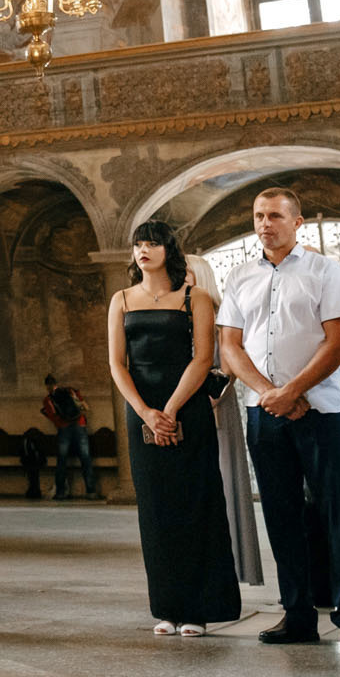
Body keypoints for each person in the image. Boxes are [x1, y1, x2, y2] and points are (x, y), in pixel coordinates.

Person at [217, 187, 340, 652]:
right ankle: (298, 614)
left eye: (276, 216)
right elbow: (230, 347)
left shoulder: (326, 270)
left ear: (297, 222)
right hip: (264, 415)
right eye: (259, 216)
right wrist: (271, 394)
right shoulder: (240, 276)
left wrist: (294, 391)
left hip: (323, 411)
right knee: (283, 516)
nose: (265, 224)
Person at [106, 222, 242, 636]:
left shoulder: (194, 297)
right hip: (141, 409)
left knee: (194, 502)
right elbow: (117, 364)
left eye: (152, 243)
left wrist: (170, 408)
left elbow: (203, 359)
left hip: (187, 403)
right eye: (138, 244)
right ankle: (167, 607)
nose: (143, 250)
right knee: (156, 508)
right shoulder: (122, 299)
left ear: (169, 250)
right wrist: (147, 412)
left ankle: (199, 608)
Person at [185, 255, 264, 588]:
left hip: (215, 404)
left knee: (224, 480)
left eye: (185, 274)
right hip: (185, 406)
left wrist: (211, 395)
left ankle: (229, 561)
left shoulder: (218, 313)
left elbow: (229, 361)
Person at [39, 374, 99, 500]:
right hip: (80, 425)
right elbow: (84, 407)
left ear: (47, 386)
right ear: (56, 383)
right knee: (86, 458)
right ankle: (91, 491)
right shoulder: (70, 391)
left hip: (64, 428)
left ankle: (61, 492)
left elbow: (54, 418)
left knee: (62, 460)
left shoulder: (48, 400)